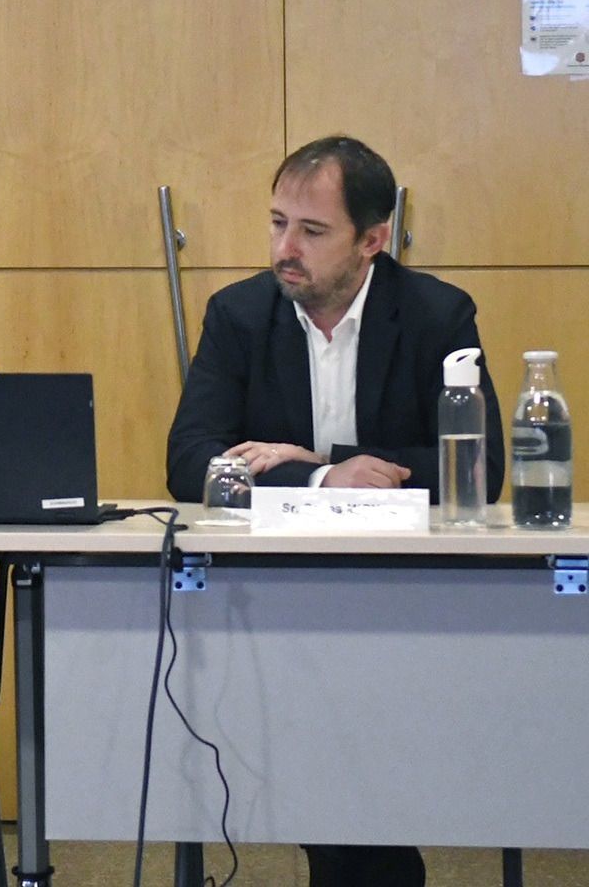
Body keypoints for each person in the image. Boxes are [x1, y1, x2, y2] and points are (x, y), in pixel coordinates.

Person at [166, 134, 503, 887]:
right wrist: (326, 480)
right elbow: (191, 461)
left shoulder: (437, 316)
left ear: (373, 241)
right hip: (270, 596)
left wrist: (313, 462)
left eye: (312, 231)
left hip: (405, 594)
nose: (286, 248)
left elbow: (480, 470)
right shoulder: (240, 314)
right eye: (278, 222)